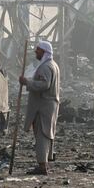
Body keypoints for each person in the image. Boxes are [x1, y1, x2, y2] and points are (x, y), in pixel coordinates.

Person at [18, 40, 60, 175]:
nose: (36, 52)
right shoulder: (52, 65)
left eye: (38, 50)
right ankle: (45, 163)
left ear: (44, 52)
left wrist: (27, 82)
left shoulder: (45, 67)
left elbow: (44, 85)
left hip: (43, 106)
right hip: (48, 105)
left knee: (42, 134)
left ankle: (42, 166)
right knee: (46, 134)